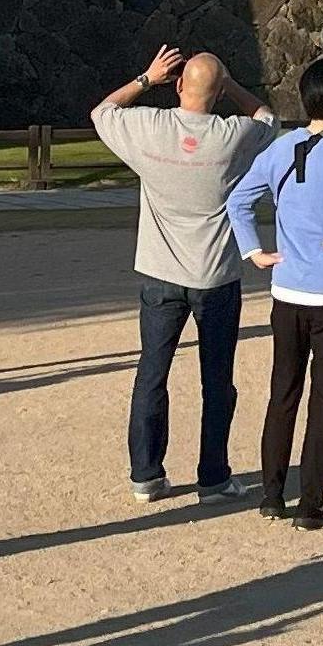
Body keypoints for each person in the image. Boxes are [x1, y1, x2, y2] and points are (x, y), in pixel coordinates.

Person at [91, 44, 275, 504]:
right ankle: (213, 477)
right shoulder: (231, 136)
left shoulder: (150, 127)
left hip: (159, 271)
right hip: (214, 274)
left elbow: (103, 111)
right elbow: (268, 118)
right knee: (217, 378)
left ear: (178, 86)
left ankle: (146, 474)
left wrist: (147, 78)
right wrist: (229, 84)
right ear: (215, 95)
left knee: (151, 373)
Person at [226, 55, 323, 530]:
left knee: (282, 394)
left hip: (287, 290)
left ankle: (272, 494)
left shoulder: (279, 148)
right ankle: (310, 504)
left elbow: (238, 200)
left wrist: (254, 252)